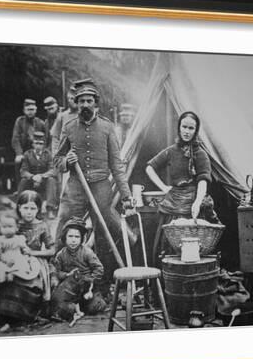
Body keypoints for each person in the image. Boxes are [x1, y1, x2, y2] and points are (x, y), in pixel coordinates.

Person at [53, 78, 134, 281]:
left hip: (101, 188)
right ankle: (61, 279)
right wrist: (67, 162)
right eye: (81, 101)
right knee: (67, 228)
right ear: (77, 103)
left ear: (96, 103)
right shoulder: (69, 126)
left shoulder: (107, 128)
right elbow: (56, 159)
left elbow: (117, 165)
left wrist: (126, 195)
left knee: (103, 235)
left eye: (89, 101)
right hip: (75, 186)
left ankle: (102, 285)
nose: (85, 105)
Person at [145, 111, 220, 263]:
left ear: (196, 131)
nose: (186, 131)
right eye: (184, 127)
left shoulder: (201, 154)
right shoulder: (171, 151)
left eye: (191, 128)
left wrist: (198, 202)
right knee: (167, 250)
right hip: (172, 206)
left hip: (193, 208)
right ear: (179, 127)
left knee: (193, 252)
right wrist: (163, 187)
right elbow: (149, 167)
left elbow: (203, 181)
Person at [50, 217, 107, 319]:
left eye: (77, 237)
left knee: (94, 307)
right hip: (70, 289)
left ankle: (94, 300)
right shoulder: (61, 255)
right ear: (64, 238)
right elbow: (57, 271)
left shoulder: (87, 252)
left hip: (88, 287)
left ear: (81, 239)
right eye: (70, 236)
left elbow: (99, 268)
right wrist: (66, 275)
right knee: (62, 308)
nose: (73, 240)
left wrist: (89, 279)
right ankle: (75, 307)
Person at [18, 131, 58, 219]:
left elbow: (53, 170)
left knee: (52, 180)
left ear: (43, 145)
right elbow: (23, 171)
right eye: (36, 143)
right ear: (33, 144)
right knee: (23, 181)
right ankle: (20, 207)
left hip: (44, 181)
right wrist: (32, 177)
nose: (38, 146)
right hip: (31, 180)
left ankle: (50, 209)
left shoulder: (48, 155)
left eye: (41, 144)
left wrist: (41, 176)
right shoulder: (27, 154)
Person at [11, 98, 45, 189]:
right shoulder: (20, 121)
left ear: (36, 110)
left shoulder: (40, 123)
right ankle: (20, 188)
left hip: (38, 152)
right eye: (28, 110)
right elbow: (15, 138)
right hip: (24, 152)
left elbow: (47, 139)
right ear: (24, 110)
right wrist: (19, 153)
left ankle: (39, 187)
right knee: (18, 161)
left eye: (32, 109)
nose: (30, 112)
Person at [50, 85, 78, 155]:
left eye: (75, 98)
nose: (73, 101)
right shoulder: (62, 116)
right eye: (70, 98)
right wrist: (55, 153)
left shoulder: (84, 115)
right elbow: (55, 137)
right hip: (64, 155)